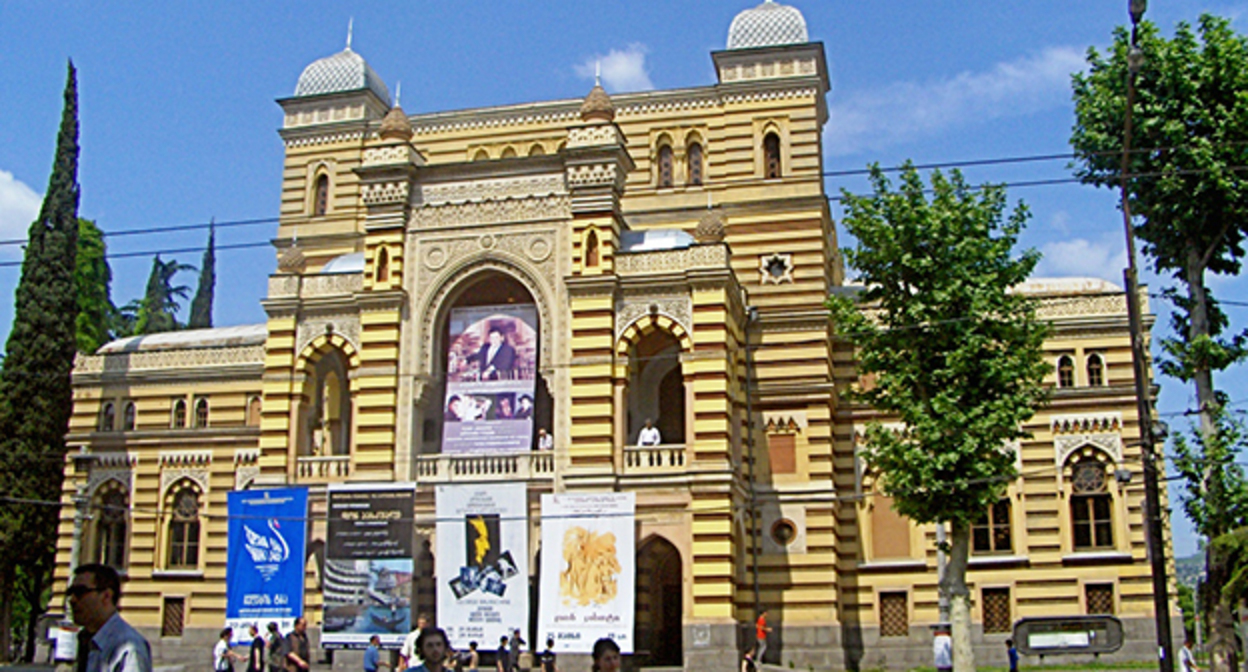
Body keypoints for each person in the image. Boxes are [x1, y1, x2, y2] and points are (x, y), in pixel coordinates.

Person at [67, 562, 152, 672]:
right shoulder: (85, 640)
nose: (72, 600)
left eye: (80, 592)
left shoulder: (129, 647)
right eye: (70, 593)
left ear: (106, 596)